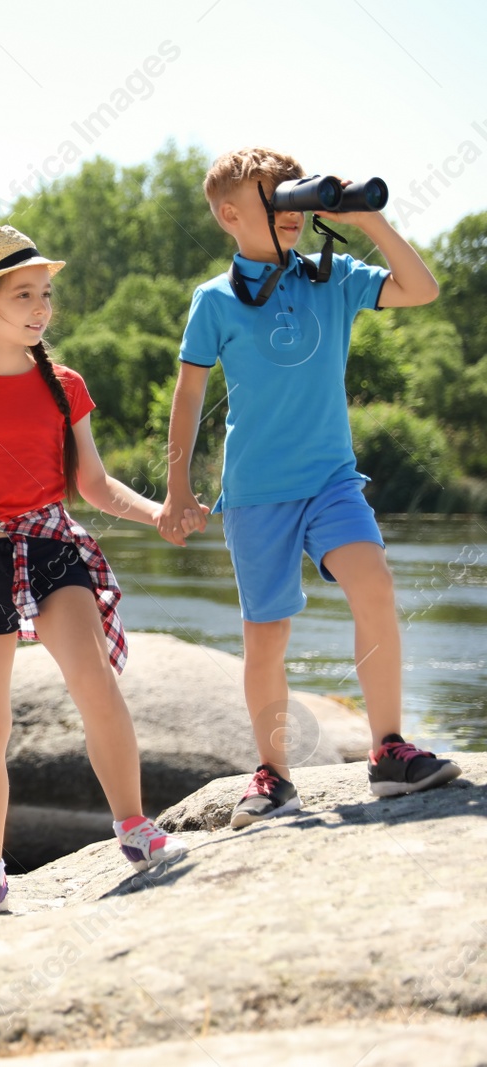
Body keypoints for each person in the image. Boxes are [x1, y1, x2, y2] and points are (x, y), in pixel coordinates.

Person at [160, 147, 459, 828]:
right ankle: (274, 775)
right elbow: (187, 396)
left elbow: (421, 288)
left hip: (330, 480)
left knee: (375, 584)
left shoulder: (334, 277)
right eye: (274, 196)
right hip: (257, 493)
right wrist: (178, 489)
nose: (290, 209)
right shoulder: (215, 299)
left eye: (294, 195)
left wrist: (369, 218)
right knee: (266, 638)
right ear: (231, 215)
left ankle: (388, 749)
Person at [0, 227, 191, 920]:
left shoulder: (65, 386)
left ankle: (134, 828)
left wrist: (160, 514)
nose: (40, 308)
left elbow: (93, 483)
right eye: (23, 294)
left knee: (96, 683)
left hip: (54, 544)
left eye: (45, 294)